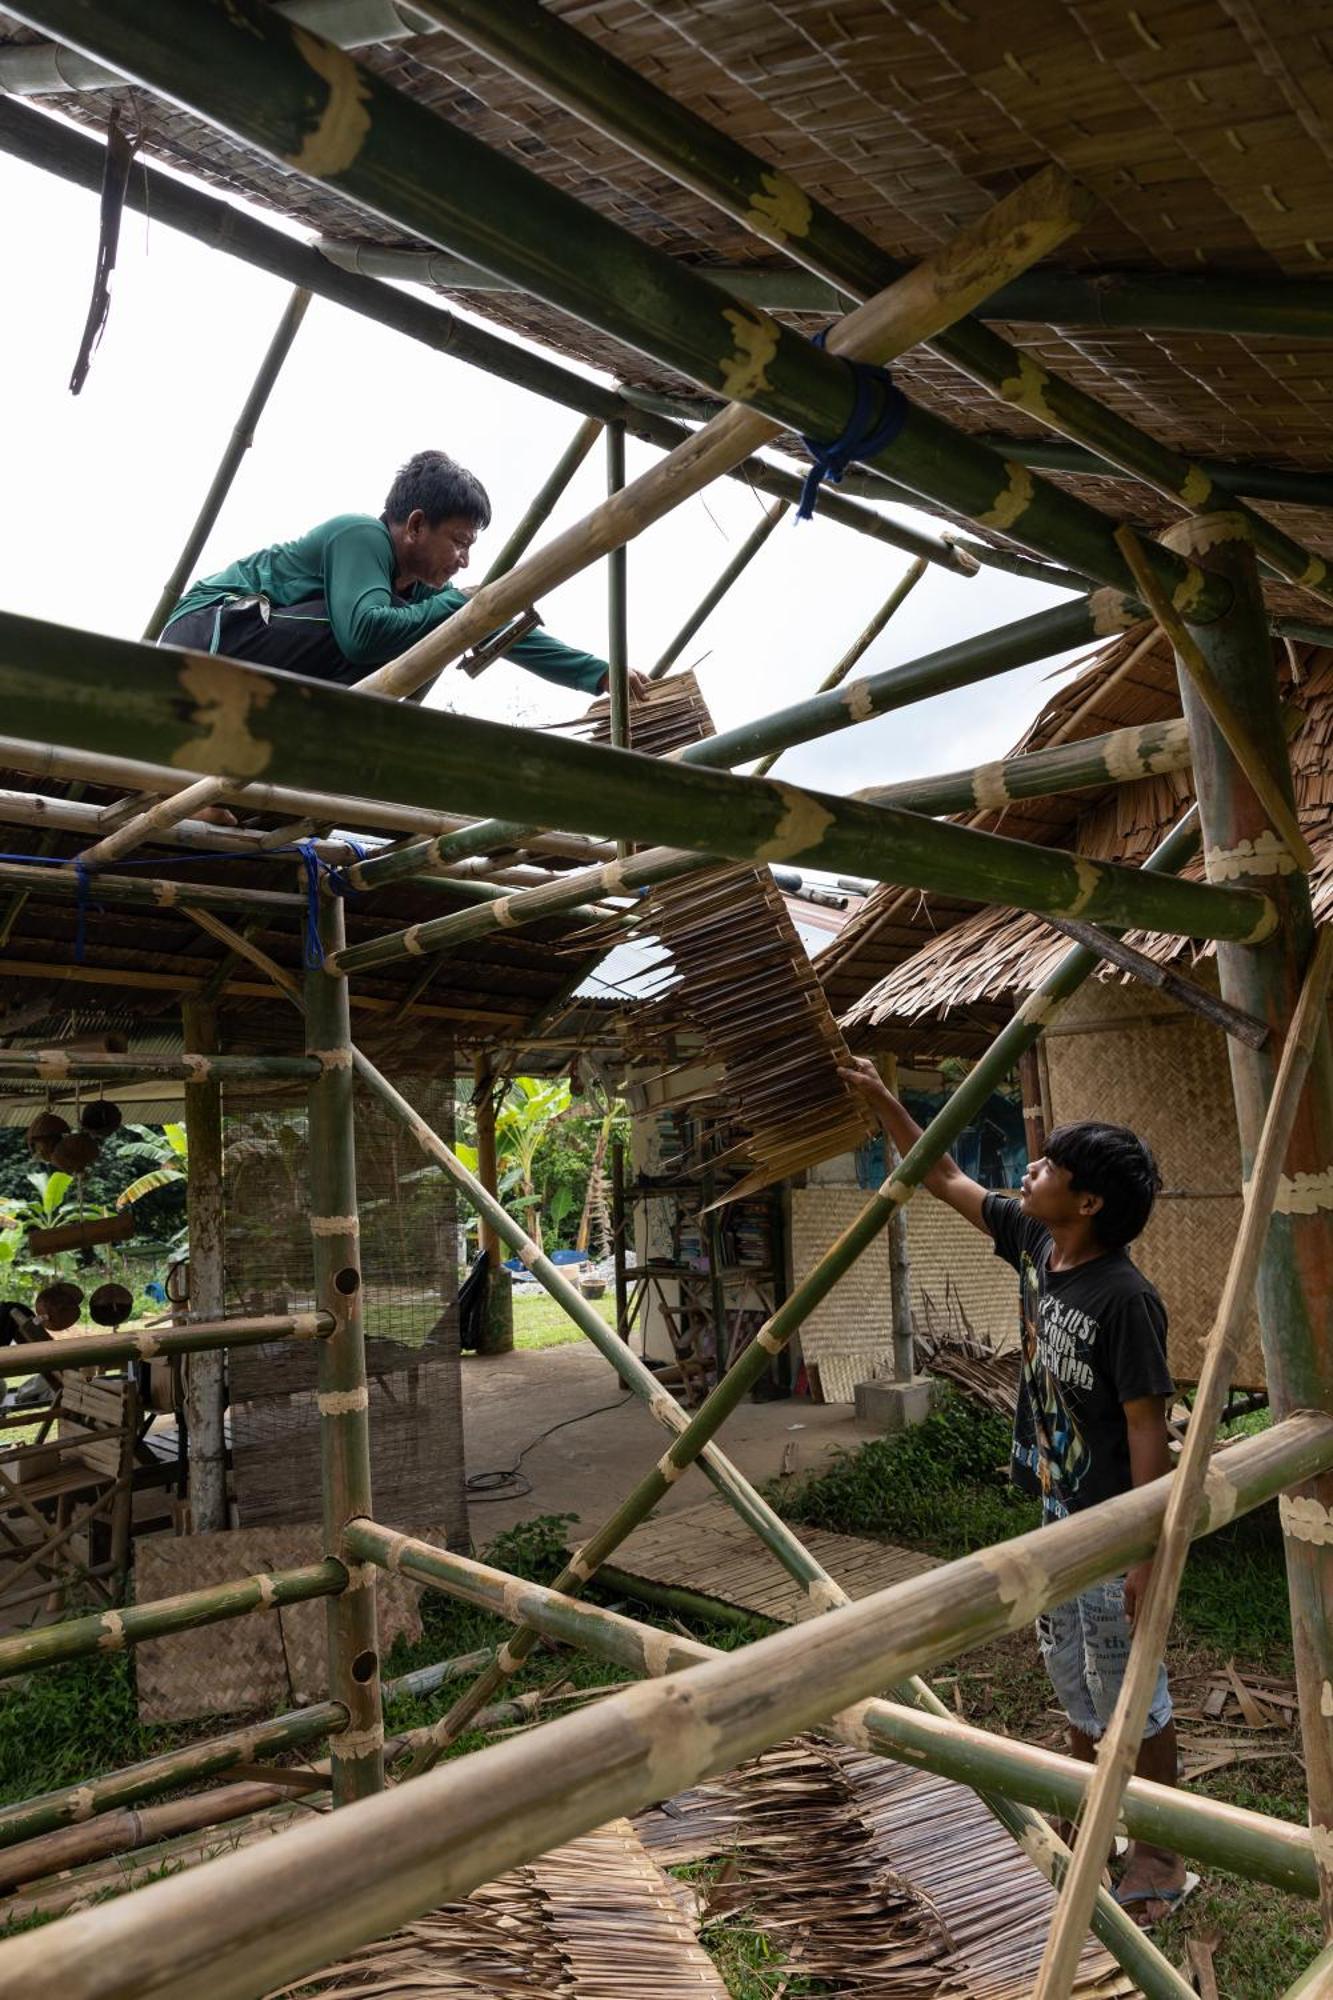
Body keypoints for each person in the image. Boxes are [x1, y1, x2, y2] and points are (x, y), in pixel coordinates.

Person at [840, 1057, 1189, 1927]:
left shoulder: (1125, 1300)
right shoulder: (1037, 1242)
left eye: (1047, 1169)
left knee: (1131, 1690)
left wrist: (1147, 1544)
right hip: (1053, 1516)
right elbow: (945, 1174)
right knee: (1070, 1672)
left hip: (1110, 1525)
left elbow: (1149, 1425)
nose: (1026, 1173)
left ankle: (1161, 1854)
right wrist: (885, 1100)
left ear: (1089, 1203)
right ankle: (1082, 1818)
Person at [161, 448, 649, 699]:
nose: (464, 560)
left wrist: (599, 675)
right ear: (416, 525)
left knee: (418, 627)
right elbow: (360, 636)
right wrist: (458, 604)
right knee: (388, 631)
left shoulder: (414, 594)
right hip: (212, 633)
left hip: (247, 672)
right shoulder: (359, 536)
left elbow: (492, 625)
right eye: (459, 542)